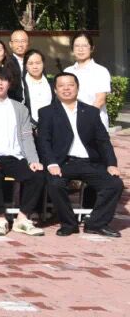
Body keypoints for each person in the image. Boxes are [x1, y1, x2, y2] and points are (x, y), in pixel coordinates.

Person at [38, 72, 123, 237]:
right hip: (63, 163)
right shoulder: (47, 112)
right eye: (61, 86)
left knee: (114, 184)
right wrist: (51, 163)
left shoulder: (90, 112)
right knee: (55, 184)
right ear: (55, 90)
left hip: (89, 162)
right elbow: (44, 142)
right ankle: (69, 224)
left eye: (70, 85)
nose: (66, 89)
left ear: (77, 88)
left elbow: (103, 141)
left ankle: (96, 223)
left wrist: (111, 164)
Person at [0, 67, 45, 236]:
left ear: (9, 84)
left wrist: (33, 160)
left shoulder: (20, 109)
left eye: (4, 80)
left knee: (37, 175)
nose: (0, 83)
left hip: (15, 157)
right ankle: (0, 218)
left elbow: (27, 137)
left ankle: (22, 218)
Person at [64, 32, 112, 129]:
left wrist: (84, 120)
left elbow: (100, 100)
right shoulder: (67, 71)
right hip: (71, 124)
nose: (80, 49)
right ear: (72, 48)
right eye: (77, 46)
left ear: (92, 48)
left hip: (94, 123)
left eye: (84, 45)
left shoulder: (101, 71)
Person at [22, 49, 54, 122]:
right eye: (30, 64)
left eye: (38, 63)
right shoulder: (20, 84)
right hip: (28, 125)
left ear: (43, 64)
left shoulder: (52, 83)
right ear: (25, 66)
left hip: (50, 124)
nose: (35, 67)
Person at [8, 30, 30, 97]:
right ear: (10, 44)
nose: (20, 45)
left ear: (28, 44)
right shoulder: (5, 62)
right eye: (16, 41)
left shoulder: (34, 62)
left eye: (23, 41)